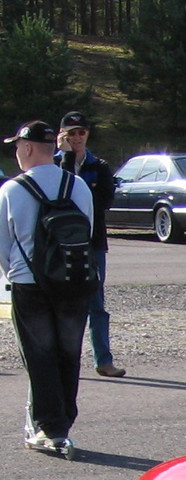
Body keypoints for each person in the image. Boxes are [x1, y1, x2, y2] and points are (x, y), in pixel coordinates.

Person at [2, 119, 94, 457]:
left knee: (39, 357)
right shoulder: (78, 186)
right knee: (68, 354)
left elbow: (3, 245)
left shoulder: (12, 190)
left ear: (26, 148)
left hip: (30, 282)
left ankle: (47, 427)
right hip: (75, 281)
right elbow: (89, 232)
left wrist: (16, 273)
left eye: (17, 147)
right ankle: (63, 422)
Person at [55, 111, 122, 378]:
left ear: (88, 134)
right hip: (61, 244)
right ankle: (62, 360)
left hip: (93, 243)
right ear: (62, 137)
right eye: (71, 133)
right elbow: (62, 195)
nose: (77, 137)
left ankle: (103, 360)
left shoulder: (100, 166)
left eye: (81, 132)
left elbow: (102, 202)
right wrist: (66, 158)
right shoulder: (54, 164)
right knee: (63, 303)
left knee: (96, 303)